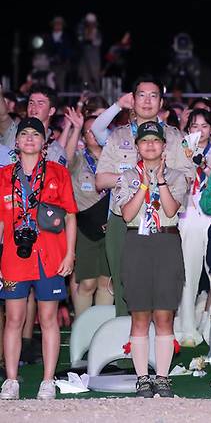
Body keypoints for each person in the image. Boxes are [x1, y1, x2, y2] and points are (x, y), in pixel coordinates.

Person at [95, 76, 192, 316]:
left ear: (161, 102)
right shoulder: (118, 136)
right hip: (126, 221)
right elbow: (100, 179)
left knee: (162, 289)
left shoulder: (175, 137)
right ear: (133, 99)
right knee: (123, 285)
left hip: (164, 221)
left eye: (153, 96)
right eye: (141, 95)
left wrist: (158, 181)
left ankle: (155, 345)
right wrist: (134, 179)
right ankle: (126, 347)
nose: (147, 101)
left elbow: (187, 177)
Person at [0, 117, 78, 400]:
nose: (30, 138)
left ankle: (47, 381)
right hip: (14, 258)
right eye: (25, 134)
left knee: (48, 318)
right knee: (14, 319)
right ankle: (10, 381)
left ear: (44, 143)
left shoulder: (58, 173)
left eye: (36, 134)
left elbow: (70, 215)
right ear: (17, 142)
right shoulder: (4, 175)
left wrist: (70, 253)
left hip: (51, 256)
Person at [114, 121, 187, 398]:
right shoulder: (127, 176)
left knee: (164, 314)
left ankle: (163, 377)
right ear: (137, 147)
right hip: (137, 243)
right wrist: (144, 184)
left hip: (166, 241)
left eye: (155, 141)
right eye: (144, 141)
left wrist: (160, 181)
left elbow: (169, 207)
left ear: (164, 146)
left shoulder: (178, 176)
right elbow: (127, 214)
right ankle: (143, 377)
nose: (150, 145)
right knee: (140, 314)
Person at [63, 113, 112, 315]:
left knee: (106, 281)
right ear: (83, 137)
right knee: (88, 283)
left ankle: (101, 331)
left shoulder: (115, 158)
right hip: (86, 228)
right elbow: (64, 159)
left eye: (97, 129)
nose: (93, 134)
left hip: (112, 226)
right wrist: (75, 128)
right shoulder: (78, 160)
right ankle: (83, 328)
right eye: (88, 131)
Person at [177, 109, 211, 347]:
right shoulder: (181, 150)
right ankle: (186, 326)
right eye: (194, 125)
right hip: (189, 215)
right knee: (188, 273)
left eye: (204, 125)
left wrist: (203, 164)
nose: (199, 130)